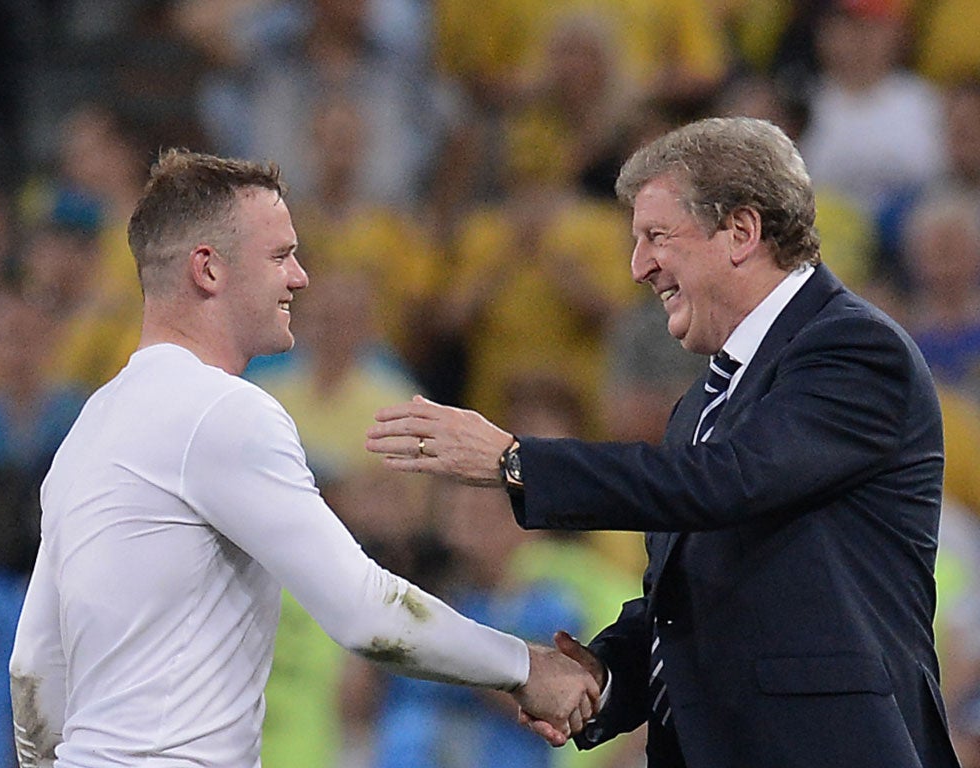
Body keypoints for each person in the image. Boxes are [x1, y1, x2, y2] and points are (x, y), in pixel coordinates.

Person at [365, 117, 961, 768]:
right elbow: (690, 603)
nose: (639, 267)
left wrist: (515, 462)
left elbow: (724, 483)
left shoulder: (853, 350)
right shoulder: (705, 401)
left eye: (656, 237)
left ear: (741, 231)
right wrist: (603, 679)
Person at [7, 149, 600, 768]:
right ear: (208, 270)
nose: (300, 278)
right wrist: (523, 667)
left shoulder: (90, 428)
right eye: (280, 256)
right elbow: (366, 613)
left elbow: (32, 668)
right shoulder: (226, 412)